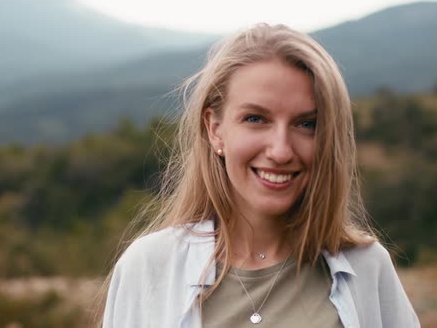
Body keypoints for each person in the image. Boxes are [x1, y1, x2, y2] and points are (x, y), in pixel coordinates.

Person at [97, 23, 420, 328]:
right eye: (256, 118)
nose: (281, 151)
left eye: (307, 124)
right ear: (215, 129)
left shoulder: (367, 268)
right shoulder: (149, 267)